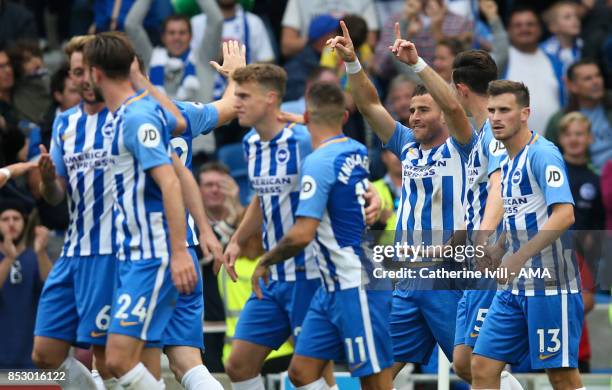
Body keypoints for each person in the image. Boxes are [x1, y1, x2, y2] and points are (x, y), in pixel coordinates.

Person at [328, 20, 475, 378]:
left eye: (423, 109)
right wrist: (353, 64)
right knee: (377, 370)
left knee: (474, 369)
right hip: (407, 280)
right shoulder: (407, 144)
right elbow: (370, 105)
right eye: (411, 110)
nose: (414, 117)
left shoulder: (465, 146)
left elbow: (457, 111)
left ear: (442, 110)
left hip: (447, 277)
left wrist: (416, 63)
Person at [251, 81, 394, 389]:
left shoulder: (317, 163)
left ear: (306, 114)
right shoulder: (356, 149)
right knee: (301, 373)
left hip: (356, 282)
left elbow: (303, 234)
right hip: (329, 287)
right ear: (344, 117)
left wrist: (266, 260)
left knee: (375, 382)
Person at [83, 32, 195, 390]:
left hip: (152, 254)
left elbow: (171, 182)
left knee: (117, 359)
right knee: (125, 359)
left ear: (96, 74)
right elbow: (177, 121)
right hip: (131, 254)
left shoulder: (135, 118)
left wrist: (179, 252)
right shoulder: (130, 112)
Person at [222, 63, 335, 390]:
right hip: (272, 276)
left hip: (311, 273)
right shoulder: (250, 144)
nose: (236, 102)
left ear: (271, 99)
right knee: (238, 365)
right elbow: (262, 195)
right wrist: (237, 240)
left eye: (244, 96)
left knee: (309, 373)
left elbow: (340, 166)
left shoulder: (303, 140)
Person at [471, 80, 584, 390]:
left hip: (550, 285)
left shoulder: (543, 154)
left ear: (525, 113)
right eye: (491, 110)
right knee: (481, 366)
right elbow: (519, 213)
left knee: (561, 377)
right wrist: (500, 248)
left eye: (504, 110)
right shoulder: (507, 160)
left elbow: (564, 215)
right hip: (515, 287)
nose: (495, 117)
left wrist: (518, 257)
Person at [31, 35, 115, 390]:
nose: (81, 79)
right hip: (72, 249)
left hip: (110, 250)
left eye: (86, 70)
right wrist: (48, 181)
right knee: (44, 355)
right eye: (75, 72)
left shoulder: (127, 115)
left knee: (107, 357)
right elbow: (55, 196)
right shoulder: (65, 123)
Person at [442, 49, 524, 389]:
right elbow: (478, 196)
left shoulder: (492, 132)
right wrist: (461, 235)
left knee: (480, 363)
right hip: (478, 259)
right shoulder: (480, 135)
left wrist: (482, 239)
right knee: (463, 362)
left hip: (494, 258)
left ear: (461, 89)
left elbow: (500, 188)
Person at [125, 0, 223, 102]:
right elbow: (131, 25)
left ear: (191, 36)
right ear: (163, 37)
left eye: (182, 33)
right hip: (158, 117)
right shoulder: (150, 58)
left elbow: (216, 20)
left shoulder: (204, 58)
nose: (177, 37)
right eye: (171, 33)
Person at [0, 200, 52, 369]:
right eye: (5, 219)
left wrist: (41, 252)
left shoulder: (35, 256)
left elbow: (52, 289)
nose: (11, 223)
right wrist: (9, 258)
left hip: (30, 357)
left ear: (25, 222)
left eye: (16, 218)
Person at [191, 0, 275, 101]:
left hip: (246, 96)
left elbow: (267, 63)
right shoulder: (196, 23)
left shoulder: (253, 22)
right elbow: (190, 61)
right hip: (205, 95)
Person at [502, 7, 565, 135]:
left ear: (540, 29)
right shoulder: (500, 60)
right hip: (511, 145)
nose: (524, 29)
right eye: (518, 25)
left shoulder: (554, 61)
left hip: (553, 144)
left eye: (530, 24)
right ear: (508, 31)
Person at [545, 59, 612, 172]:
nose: (596, 81)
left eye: (598, 76)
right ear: (572, 86)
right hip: (589, 182)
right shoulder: (559, 120)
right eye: (588, 78)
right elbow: (549, 160)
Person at [281, 0, 379, 58]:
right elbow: (286, 46)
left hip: (355, 56)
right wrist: (317, 40)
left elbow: (371, 42)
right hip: (311, 58)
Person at [541, 1, 583, 73]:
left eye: (576, 16)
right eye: (567, 17)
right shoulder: (543, 51)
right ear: (553, 26)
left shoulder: (584, 45)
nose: (575, 20)